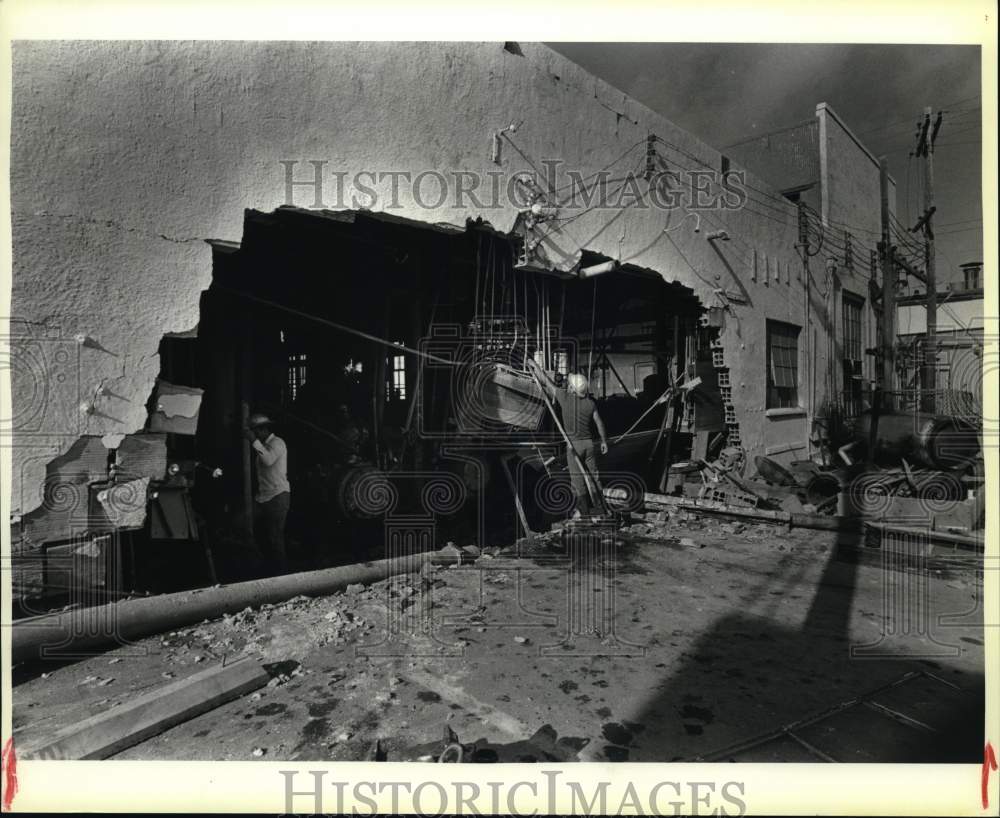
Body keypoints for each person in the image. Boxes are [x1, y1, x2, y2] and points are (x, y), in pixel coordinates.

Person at [529, 360, 609, 518]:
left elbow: (545, 380)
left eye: (570, 383)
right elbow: (599, 422)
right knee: (594, 477)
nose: (567, 384)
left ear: (572, 388)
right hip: (589, 445)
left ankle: (585, 514)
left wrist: (533, 364)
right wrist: (604, 441)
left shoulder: (564, 397)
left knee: (577, 481)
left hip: (574, 447)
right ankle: (602, 509)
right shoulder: (590, 403)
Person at [244, 412, 290, 573]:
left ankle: (282, 575)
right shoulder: (263, 445)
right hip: (263, 497)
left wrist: (253, 441)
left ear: (264, 429)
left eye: (255, 431)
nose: (254, 434)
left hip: (278, 496)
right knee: (243, 524)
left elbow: (268, 460)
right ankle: (264, 567)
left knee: (275, 537)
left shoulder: (278, 443)